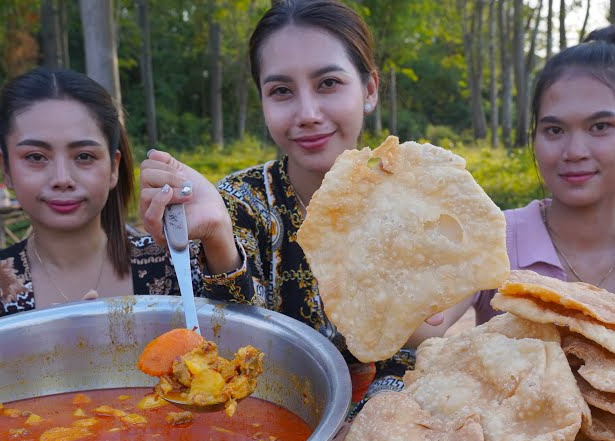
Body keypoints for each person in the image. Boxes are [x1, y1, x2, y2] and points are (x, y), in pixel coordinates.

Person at [138, 0, 421, 407]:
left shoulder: (416, 203)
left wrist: (372, 417)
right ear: (263, 101)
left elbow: (418, 345)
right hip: (263, 425)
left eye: (328, 83)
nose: (307, 113)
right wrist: (218, 239)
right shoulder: (239, 203)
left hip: (386, 426)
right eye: (282, 91)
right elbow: (224, 361)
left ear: (370, 90)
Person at [470, 26, 615, 344]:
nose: (574, 152)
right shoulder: (492, 237)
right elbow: (423, 325)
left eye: (600, 126)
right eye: (554, 130)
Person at [0, 68, 190, 328]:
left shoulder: (171, 265)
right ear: (5, 168)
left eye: (84, 156)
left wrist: (219, 235)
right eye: (36, 157)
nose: (62, 178)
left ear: (113, 167)